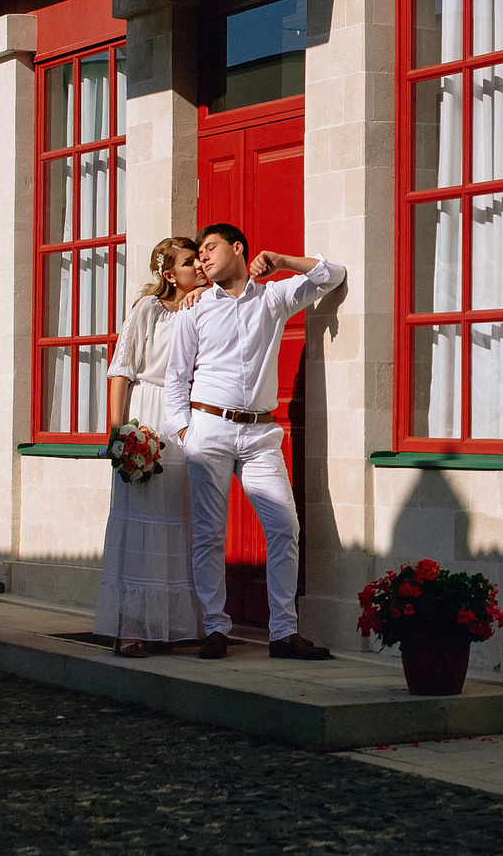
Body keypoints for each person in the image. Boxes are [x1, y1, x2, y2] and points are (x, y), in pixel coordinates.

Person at [161, 222, 345, 660]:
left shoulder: (273, 298)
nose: (203, 258)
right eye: (199, 253)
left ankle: (283, 633)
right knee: (209, 534)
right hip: (209, 430)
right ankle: (215, 629)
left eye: (211, 248)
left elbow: (331, 274)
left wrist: (280, 260)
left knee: (285, 527)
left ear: (238, 249)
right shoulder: (195, 308)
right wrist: (185, 433)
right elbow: (175, 378)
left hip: (261, 434)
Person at [94, 237, 207, 657]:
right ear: (167, 273)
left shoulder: (203, 305)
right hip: (147, 415)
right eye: (189, 262)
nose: (198, 266)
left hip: (183, 419)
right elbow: (121, 372)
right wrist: (118, 434)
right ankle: (133, 625)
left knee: (178, 518)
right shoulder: (147, 310)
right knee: (141, 519)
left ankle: (171, 626)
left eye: (200, 259)